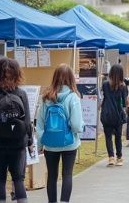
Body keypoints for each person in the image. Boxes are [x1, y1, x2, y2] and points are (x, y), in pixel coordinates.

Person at [0, 58, 32, 203]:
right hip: (18, 144)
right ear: (17, 73)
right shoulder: (21, 94)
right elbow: (27, 121)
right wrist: (28, 141)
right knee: (18, 179)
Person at [37, 64, 84, 203]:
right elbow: (76, 125)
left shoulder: (46, 97)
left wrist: (40, 144)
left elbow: (39, 124)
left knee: (51, 175)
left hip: (50, 145)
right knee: (67, 174)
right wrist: (81, 127)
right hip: (69, 144)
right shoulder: (73, 97)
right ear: (71, 79)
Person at [100, 64, 128, 166]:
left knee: (108, 137)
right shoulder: (123, 87)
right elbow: (124, 103)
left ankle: (111, 157)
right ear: (121, 74)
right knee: (118, 137)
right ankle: (119, 158)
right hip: (118, 115)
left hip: (106, 114)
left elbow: (104, 98)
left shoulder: (105, 85)